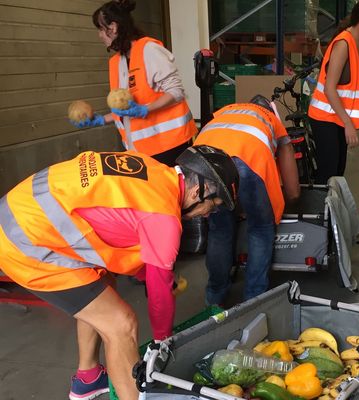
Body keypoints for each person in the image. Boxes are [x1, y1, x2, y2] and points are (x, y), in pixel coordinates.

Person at [0, 146, 238, 400]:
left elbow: (122, 226)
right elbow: (159, 297)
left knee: (102, 285)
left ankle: (88, 379)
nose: (207, 214)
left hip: (19, 211)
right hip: (24, 242)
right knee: (121, 324)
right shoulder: (164, 218)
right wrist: (163, 344)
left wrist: (153, 276)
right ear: (197, 191)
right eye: (213, 207)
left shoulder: (154, 170)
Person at [192, 95, 300, 306]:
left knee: (219, 228)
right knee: (260, 229)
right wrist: (291, 198)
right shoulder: (271, 119)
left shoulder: (224, 111)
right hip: (248, 158)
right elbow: (293, 189)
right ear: (269, 109)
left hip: (204, 159)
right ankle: (253, 300)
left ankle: (214, 296)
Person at [71, 0, 197, 167]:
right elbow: (126, 109)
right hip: (139, 150)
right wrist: (101, 120)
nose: (99, 35)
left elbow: (176, 92)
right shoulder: (116, 62)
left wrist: (145, 110)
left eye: (101, 29)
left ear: (113, 28)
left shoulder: (149, 50)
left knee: (170, 192)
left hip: (170, 146)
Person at [307, 0, 359, 184]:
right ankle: (323, 211)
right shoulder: (344, 43)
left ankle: (331, 210)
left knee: (338, 170)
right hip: (325, 117)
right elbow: (329, 88)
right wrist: (348, 123)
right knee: (328, 173)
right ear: (357, 19)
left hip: (339, 116)